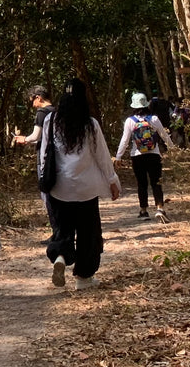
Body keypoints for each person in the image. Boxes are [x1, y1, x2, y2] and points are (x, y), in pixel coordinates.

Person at [39, 78, 120, 290]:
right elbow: (102, 155)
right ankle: (84, 278)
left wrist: (43, 187)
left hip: (59, 188)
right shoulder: (90, 124)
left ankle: (60, 257)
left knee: (62, 229)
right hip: (86, 189)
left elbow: (44, 155)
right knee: (88, 233)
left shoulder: (50, 121)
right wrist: (112, 181)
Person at [115, 92, 172, 221]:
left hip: (137, 156)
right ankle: (160, 208)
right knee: (156, 182)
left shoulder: (130, 121)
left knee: (142, 183)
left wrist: (118, 156)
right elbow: (164, 135)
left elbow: (125, 140)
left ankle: (143, 211)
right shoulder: (154, 119)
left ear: (134, 106)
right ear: (146, 104)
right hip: (154, 154)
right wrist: (173, 149)